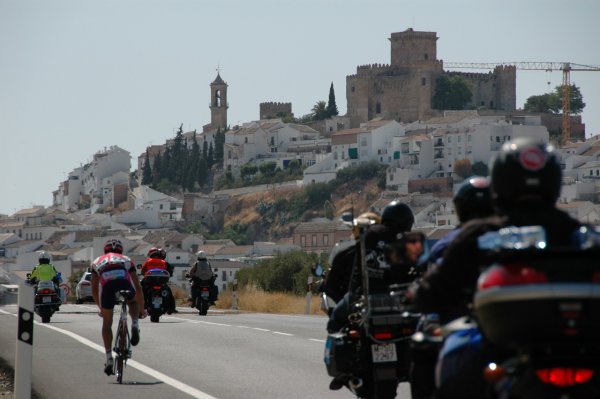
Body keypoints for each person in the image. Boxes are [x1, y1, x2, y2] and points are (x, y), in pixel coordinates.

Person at [410, 137, 583, 398]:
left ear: (500, 183)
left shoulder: (479, 235)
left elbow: (434, 291)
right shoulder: (581, 235)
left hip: (500, 347)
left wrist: (416, 297)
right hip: (575, 347)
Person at [91, 239, 146, 376]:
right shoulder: (126, 259)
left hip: (108, 287)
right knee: (132, 302)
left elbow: (93, 288)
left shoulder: (97, 261)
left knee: (107, 323)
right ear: (121, 251)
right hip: (124, 283)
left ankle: (109, 357)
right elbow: (138, 287)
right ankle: (134, 323)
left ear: (105, 250)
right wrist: (142, 309)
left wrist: (100, 307)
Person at [140, 247, 176, 314]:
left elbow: (142, 271)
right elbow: (170, 272)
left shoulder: (148, 261)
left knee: (141, 290)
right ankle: (172, 308)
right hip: (161, 282)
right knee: (169, 292)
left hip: (149, 282)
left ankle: (142, 306)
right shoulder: (164, 262)